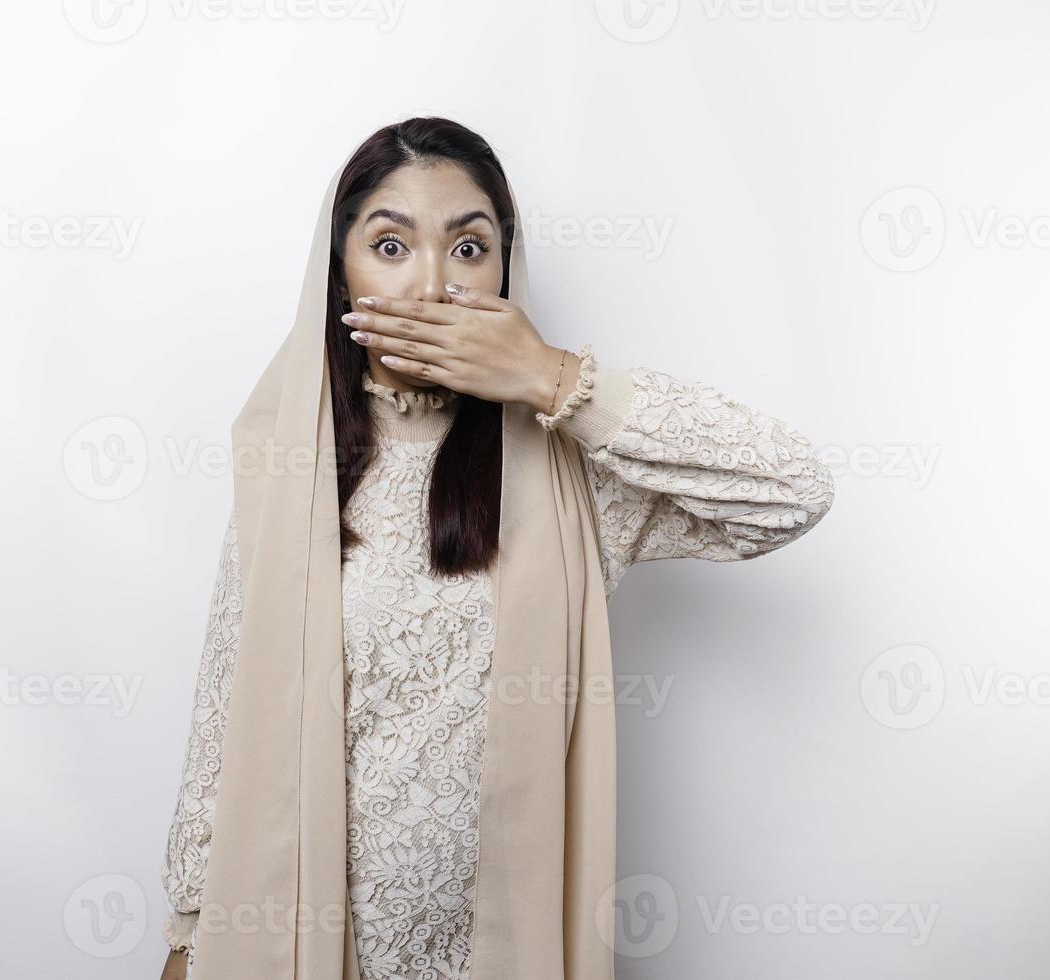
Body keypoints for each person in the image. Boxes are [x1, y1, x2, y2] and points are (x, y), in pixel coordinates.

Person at [158, 116, 834, 980]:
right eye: (391, 244)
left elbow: (790, 491)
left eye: (468, 249)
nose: (432, 286)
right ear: (339, 273)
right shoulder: (289, 460)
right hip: (299, 941)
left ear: (506, 271)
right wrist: (188, 937)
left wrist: (551, 378)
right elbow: (225, 712)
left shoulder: (571, 470)